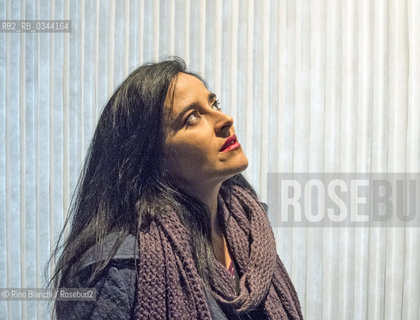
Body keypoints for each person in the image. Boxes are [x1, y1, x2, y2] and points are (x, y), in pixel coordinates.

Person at [49, 57, 303, 319]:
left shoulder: (252, 234)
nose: (225, 119)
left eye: (214, 104)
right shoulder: (113, 270)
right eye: (192, 117)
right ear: (150, 155)